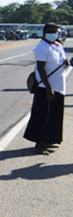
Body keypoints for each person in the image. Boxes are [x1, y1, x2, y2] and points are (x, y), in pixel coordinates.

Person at [24, 23, 70, 154]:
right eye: (51, 31)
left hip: (59, 86)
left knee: (54, 115)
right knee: (43, 115)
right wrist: (48, 88)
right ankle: (39, 144)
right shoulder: (42, 47)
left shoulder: (58, 46)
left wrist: (66, 63)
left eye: (55, 31)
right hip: (45, 87)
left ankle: (49, 140)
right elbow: (40, 68)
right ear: (45, 33)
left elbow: (62, 62)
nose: (54, 33)